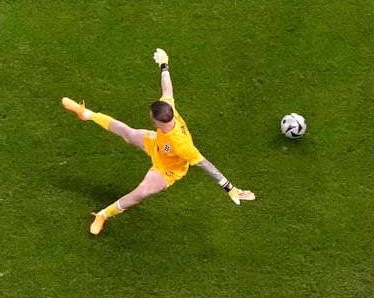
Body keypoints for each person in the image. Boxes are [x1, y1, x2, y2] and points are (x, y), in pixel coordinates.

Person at [62, 48, 255, 235]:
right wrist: (164, 64)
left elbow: (205, 164)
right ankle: (86, 114)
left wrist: (229, 187)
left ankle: (103, 215)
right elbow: (167, 89)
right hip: (156, 143)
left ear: (158, 121)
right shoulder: (169, 110)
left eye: (151, 117)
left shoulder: (182, 145)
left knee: (141, 193)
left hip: (167, 169)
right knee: (127, 133)